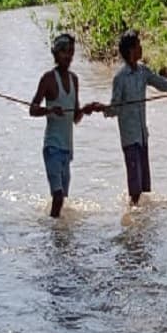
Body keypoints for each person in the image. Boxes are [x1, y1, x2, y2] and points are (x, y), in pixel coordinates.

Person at [104, 29, 167, 205]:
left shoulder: (143, 72)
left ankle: (143, 220)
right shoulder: (120, 78)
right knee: (135, 191)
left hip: (142, 137)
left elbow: (163, 84)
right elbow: (114, 108)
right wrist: (103, 109)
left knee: (145, 189)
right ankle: (134, 219)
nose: (141, 48)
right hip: (130, 139)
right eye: (138, 45)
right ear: (131, 50)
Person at [29, 33, 102, 217]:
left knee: (63, 199)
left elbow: (74, 118)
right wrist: (50, 110)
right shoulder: (47, 79)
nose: (68, 56)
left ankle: (57, 230)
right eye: (64, 52)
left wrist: (85, 109)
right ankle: (54, 232)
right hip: (52, 147)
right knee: (58, 198)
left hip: (67, 149)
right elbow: (32, 109)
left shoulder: (74, 79)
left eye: (71, 52)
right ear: (55, 53)